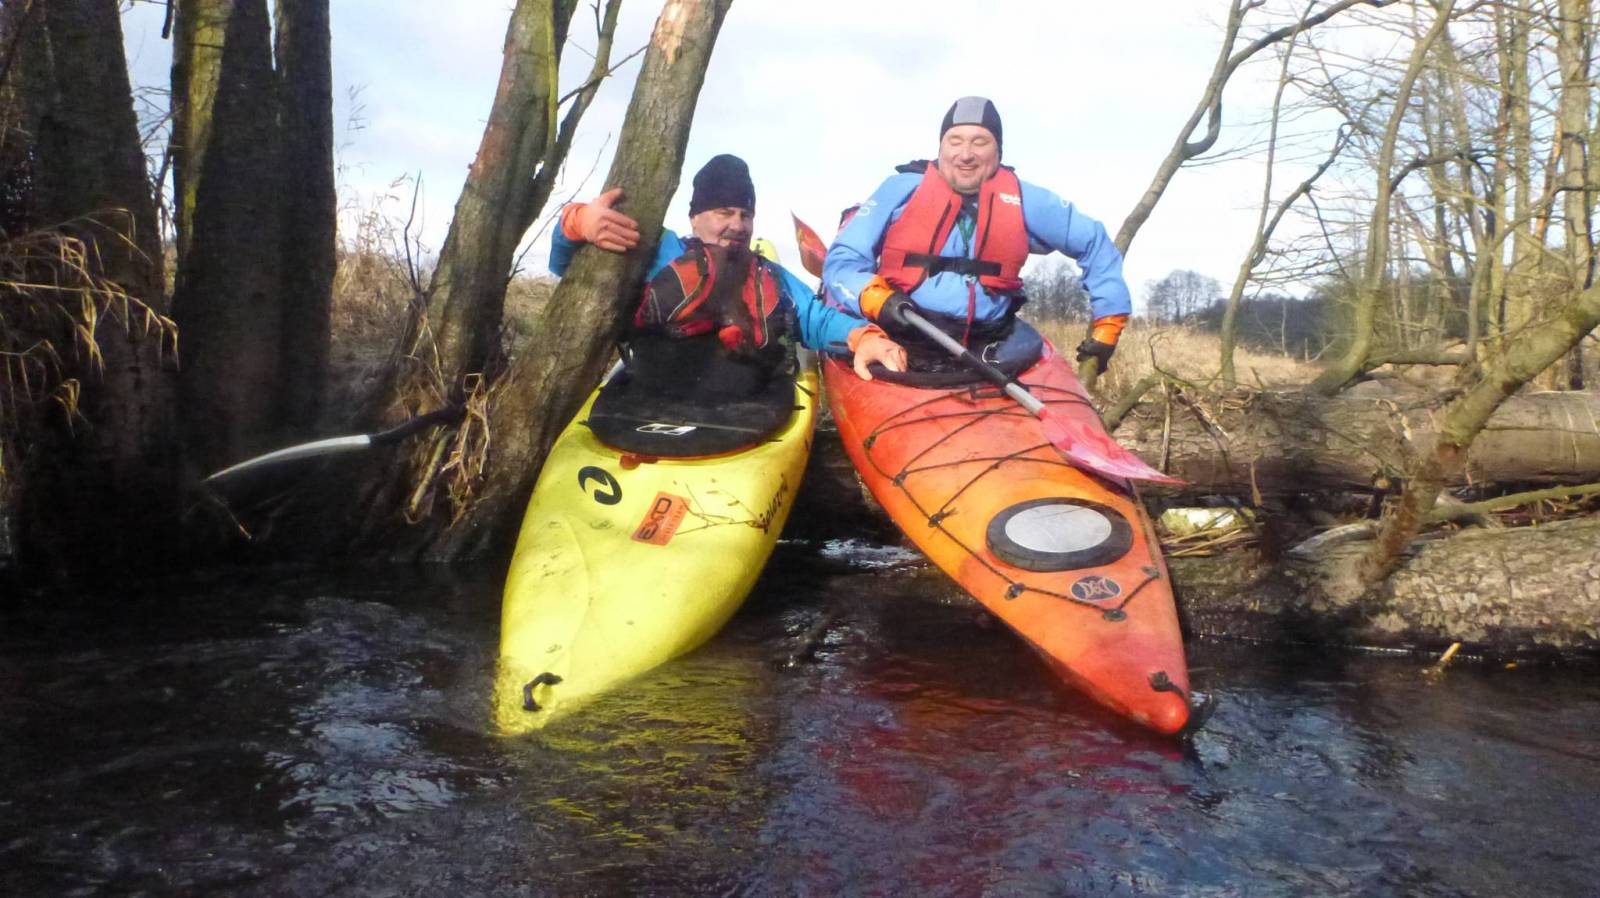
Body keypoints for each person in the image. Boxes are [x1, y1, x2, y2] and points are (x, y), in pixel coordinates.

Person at [822, 96, 1132, 380]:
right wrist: (875, 297)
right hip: (904, 335)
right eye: (955, 141)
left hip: (990, 343)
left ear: (998, 151)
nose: (966, 154)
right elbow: (842, 262)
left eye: (980, 142)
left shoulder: (1025, 199)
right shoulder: (899, 189)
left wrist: (1109, 322)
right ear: (941, 147)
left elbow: (1094, 241)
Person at [551, 153, 872, 386]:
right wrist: (576, 221)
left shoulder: (768, 274)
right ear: (695, 217)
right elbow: (566, 267)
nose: (738, 225)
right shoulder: (657, 248)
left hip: (747, 403)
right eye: (724, 213)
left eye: (746, 215)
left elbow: (816, 319)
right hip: (652, 393)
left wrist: (863, 336)